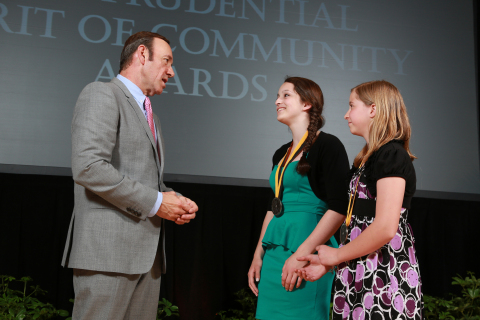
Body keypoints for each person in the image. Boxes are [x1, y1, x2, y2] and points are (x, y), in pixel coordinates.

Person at [61, 31, 198, 320]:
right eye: (167, 61)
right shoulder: (101, 93)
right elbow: (89, 167)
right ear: (142, 55)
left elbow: (148, 181)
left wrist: (173, 200)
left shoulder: (153, 116)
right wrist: (156, 202)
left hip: (147, 261)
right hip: (107, 255)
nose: (171, 72)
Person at [296, 80, 423, 320]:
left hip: (384, 277)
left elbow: (385, 228)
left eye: (351, 106)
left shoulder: (392, 154)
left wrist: (335, 255)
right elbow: (361, 227)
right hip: (359, 271)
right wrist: (330, 263)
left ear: (373, 110)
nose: (346, 115)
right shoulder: (365, 160)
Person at [248, 77, 350, 320]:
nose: (277, 101)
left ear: (307, 104)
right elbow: (273, 208)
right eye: (277, 96)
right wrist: (258, 254)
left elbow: (338, 208)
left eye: (285, 95)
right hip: (275, 253)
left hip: (308, 252)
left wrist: (300, 255)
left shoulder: (328, 145)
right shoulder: (280, 154)